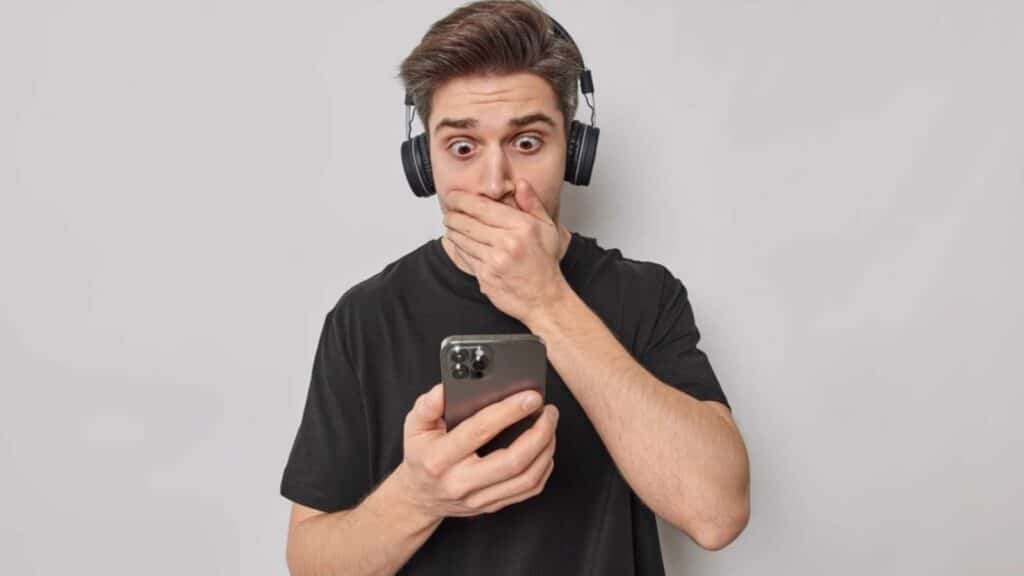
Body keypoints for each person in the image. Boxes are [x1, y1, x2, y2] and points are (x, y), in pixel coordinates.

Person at [279, 1, 750, 574]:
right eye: (462, 147)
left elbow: (717, 513)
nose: (496, 183)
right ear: (422, 163)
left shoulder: (646, 295)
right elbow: (310, 563)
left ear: (573, 152)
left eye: (527, 142)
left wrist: (546, 302)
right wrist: (419, 497)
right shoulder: (364, 317)